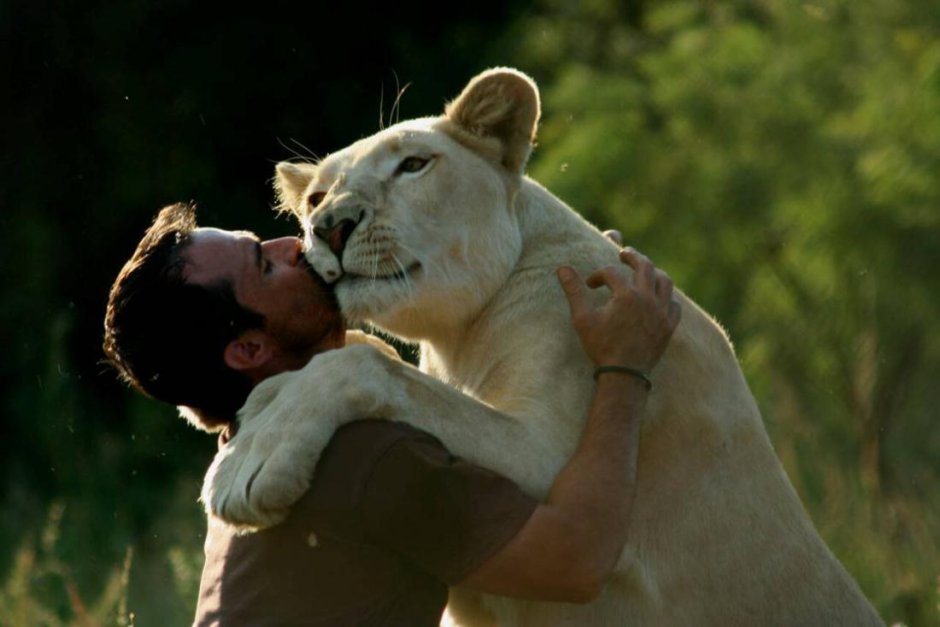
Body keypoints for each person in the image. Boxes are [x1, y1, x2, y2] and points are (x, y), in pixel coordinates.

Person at [103, 202, 681, 626]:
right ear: (250, 351)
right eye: (265, 264)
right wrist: (625, 367)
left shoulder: (248, 451)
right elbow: (575, 562)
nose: (294, 245)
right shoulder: (357, 456)